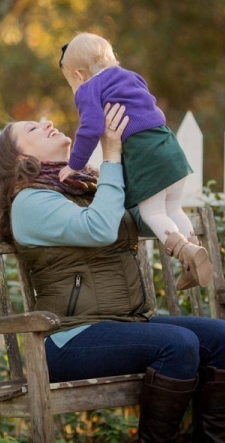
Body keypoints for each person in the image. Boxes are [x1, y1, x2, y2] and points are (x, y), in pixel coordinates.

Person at [0, 103, 225, 443]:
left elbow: (147, 217)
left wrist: (144, 142)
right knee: (178, 344)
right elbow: (101, 228)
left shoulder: (84, 187)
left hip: (121, 323)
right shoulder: (29, 201)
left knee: (222, 338)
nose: (47, 123)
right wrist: (111, 157)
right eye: (31, 129)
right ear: (18, 159)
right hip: (67, 338)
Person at [57, 32, 210, 291]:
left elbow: (91, 127)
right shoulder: (131, 76)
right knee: (174, 209)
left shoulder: (88, 88)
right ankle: (193, 260)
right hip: (169, 147)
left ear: (79, 75)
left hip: (146, 155)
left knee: (153, 212)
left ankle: (185, 253)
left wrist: (75, 162)